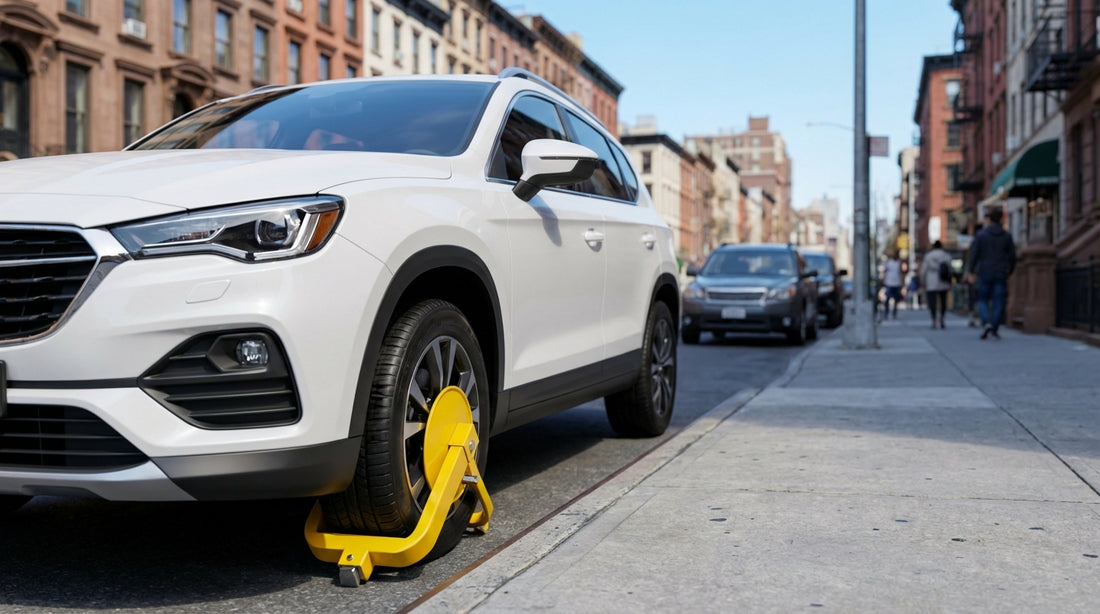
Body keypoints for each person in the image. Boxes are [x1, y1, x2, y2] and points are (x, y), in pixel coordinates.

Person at [967, 207, 1016, 340]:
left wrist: (971, 271)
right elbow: (1012, 256)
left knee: (982, 299)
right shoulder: (1007, 236)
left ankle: (986, 322)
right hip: (1000, 272)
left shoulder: (981, 235)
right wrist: (1010, 271)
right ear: (1001, 218)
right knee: (998, 300)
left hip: (984, 271)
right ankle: (994, 327)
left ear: (989, 219)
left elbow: (974, 254)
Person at [919, 240, 953, 329]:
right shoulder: (946, 256)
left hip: (931, 281)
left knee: (932, 302)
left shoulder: (928, 256)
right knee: (943, 301)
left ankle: (934, 319)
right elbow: (950, 269)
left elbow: (923, 270)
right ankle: (942, 317)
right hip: (943, 281)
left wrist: (922, 280)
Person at [882, 252, 904, 320]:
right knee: (888, 298)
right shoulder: (889, 263)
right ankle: (886, 313)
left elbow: (901, 272)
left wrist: (902, 282)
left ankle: (894, 313)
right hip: (889, 283)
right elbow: (885, 271)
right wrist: (884, 280)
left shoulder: (899, 263)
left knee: (896, 299)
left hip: (897, 283)